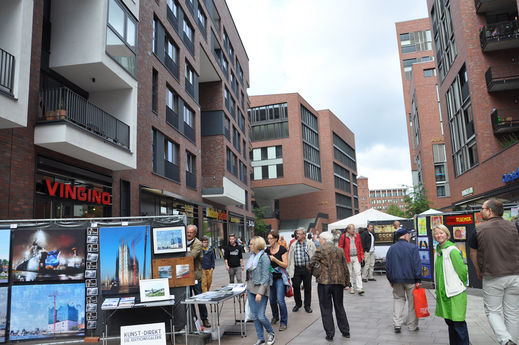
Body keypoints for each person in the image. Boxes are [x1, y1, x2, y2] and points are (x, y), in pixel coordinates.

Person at [469, 198, 519, 345]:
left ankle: (505, 340)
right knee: (512, 313)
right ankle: (513, 342)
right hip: (515, 275)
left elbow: (473, 253)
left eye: (482, 209)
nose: (480, 211)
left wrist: (478, 270)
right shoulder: (514, 226)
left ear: (490, 211)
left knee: (492, 311)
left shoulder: (478, 229)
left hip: (493, 275)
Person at [307, 231, 351, 342]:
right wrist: (347, 282)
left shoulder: (320, 250)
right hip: (338, 282)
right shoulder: (339, 250)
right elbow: (345, 267)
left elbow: (310, 264)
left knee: (326, 308)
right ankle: (345, 331)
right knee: (339, 306)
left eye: (321, 239)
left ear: (324, 239)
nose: (320, 241)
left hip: (324, 283)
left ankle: (330, 333)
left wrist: (314, 272)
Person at [434, 224, 469, 345]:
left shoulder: (452, 250)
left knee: (458, 323)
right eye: (436, 233)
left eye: (441, 233)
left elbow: (463, 271)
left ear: (447, 234)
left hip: (455, 292)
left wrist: (460, 285)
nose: (439, 235)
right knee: (450, 322)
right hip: (444, 293)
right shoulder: (438, 250)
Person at [386, 227, 421, 333]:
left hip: (396, 280)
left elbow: (388, 266)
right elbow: (417, 264)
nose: (409, 237)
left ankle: (397, 324)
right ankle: (412, 326)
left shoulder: (392, 248)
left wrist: (390, 279)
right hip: (411, 279)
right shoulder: (412, 248)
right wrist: (418, 279)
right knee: (412, 303)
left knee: (398, 300)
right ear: (406, 235)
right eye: (409, 235)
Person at [246, 236, 276, 345]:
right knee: (254, 315)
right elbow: (249, 275)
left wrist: (260, 292)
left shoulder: (264, 257)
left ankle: (271, 332)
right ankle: (260, 338)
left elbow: (265, 277)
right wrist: (247, 289)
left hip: (261, 290)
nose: (249, 245)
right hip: (251, 289)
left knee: (260, 315)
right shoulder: (252, 256)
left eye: (251, 244)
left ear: (257, 245)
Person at [186, 225, 211, 328]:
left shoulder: (198, 244)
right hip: (185, 276)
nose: (188, 234)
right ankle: (194, 319)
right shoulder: (182, 241)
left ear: (195, 233)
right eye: (187, 232)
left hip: (196, 276)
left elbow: (190, 257)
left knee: (199, 298)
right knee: (188, 299)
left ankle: (204, 319)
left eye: (190, 232)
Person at [287, 227, 316, 313]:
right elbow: (290, 257)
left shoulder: (310, 244)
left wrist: (312, 266)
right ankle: (298, 304)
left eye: (299, 234)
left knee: (307, 287)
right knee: (296, 286)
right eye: (297, 234)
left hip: (307, 268)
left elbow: (314, 255)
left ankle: (307, 306)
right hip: (296, 269)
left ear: (304, 235)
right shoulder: (293, 244)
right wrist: (289, 268)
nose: (297, 235)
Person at [265, 231, 289, 331]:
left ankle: (284, 322)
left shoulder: (282, 249)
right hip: (270, 278)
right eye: (268, 238)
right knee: (272, 299)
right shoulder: (267, 250)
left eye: (271, 238)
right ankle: (275, 316)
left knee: (280, 300)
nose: (269, 240)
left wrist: (274, 259)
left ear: (275, 239)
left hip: (280, 277)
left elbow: (285, 265)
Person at [338, 224, 365, 295]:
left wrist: (362, 255)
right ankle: (352, 287)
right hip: (348, 257)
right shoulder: (344, 236)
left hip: (356, 256)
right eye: (352, 229)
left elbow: (360, 246)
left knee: (358, 272)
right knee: (349, 273)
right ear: (348, 230)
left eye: (354, 228)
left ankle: (360, 288)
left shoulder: (357, 235)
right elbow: (340, 247)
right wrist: (342, 256)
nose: (353, 230)